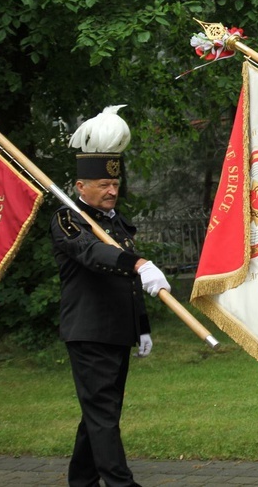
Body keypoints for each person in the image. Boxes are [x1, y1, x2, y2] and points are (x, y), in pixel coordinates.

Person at [50, 105, 170, 487]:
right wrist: (136, 262)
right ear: (81, 187)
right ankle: (121, 482)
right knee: (103, 413)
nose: (112, 190)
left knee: (99, 413)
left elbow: (125, 284)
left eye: (115, 184)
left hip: (117, 331)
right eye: (103, 185)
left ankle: (81, 481)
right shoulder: (67, 219)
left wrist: (143, 325)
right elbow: (94, 255)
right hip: (89, 332)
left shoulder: (114, 221)